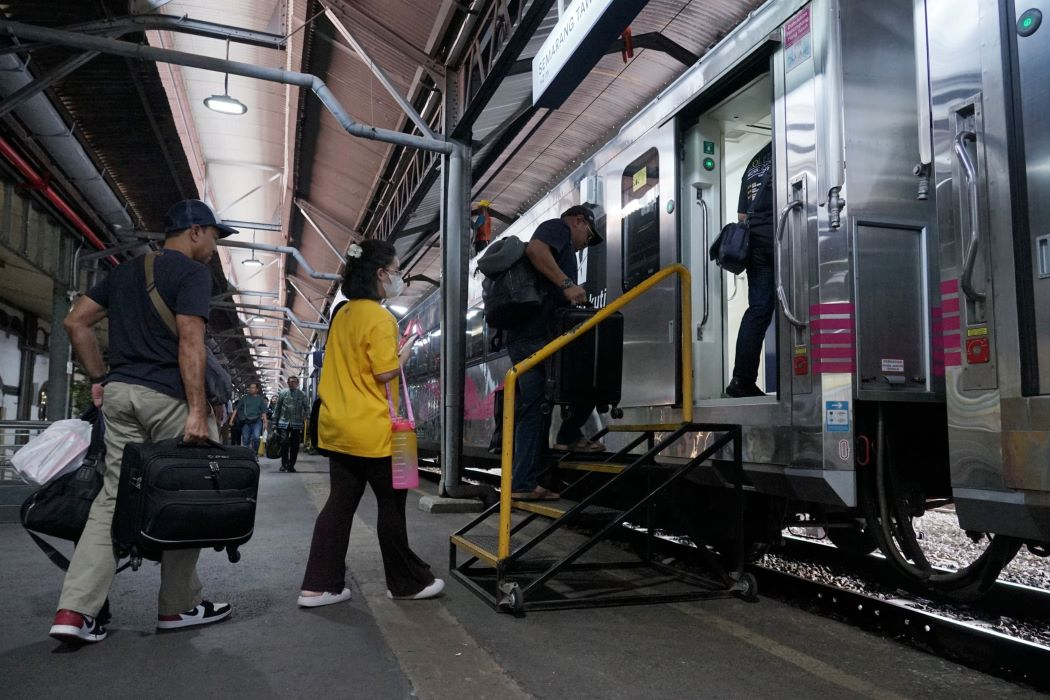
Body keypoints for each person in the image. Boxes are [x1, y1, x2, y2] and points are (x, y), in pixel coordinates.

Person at [50, 198, 236, 644]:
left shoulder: (125, 271)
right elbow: (190, 342)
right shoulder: (191, 273)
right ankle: (178, 607)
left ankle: (75, 612)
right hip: (168, 398)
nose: (215, 247)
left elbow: (76, 322)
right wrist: (196, 410)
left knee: (112, 499)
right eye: (213, 236)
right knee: (187, 498)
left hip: (121, 395)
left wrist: (101, 378)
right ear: (194, 231)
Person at [298, 239, 442, 607]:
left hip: (337, 428)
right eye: (396, 271)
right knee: (391, 507)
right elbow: (384, 372)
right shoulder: (380, 318)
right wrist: (404, 351)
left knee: (340, 504)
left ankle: (318, 585)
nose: (399, 278)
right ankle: (406, 583)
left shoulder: (341, 315)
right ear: (380, 274)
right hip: (374, 431)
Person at [506, 204, 604, 501]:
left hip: (533, 337)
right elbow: (536, 250)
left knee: (537, 409)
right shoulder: (556, 228)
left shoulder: (563, 242)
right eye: (589, 233)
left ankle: (526, 481)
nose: (587, 241)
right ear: (578, 221)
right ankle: (567, 437)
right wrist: (567, 285)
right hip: (535, 338)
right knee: (591, 377)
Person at [726, 142, 775, 398]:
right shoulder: (789, 147)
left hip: (755, 242)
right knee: (800, 303)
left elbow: (742, 216)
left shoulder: (754, 161)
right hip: (781, 236)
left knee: (758, 309)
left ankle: (741, 380)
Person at [273, 375, 309, 473]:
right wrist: (274, 422)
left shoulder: (302, 394)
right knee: (284, 442)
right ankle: (284, 464)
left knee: (295, 445)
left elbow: (307, 407)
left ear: (297, 383)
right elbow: (278, 407)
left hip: (296, 423)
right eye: (290, 382)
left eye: (294, 382)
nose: (291, 383)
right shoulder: (283, 393)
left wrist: (307, 418)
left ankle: (291, 465)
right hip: (283, 422)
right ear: (288, 383)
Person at [230, 382, 267, 452]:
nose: (251, 389)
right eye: (250, 388)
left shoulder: (260, 399)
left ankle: (255, 453)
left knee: (256, 438)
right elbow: (236, 409)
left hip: (257, 422)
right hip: (246, 422)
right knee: (245, 439)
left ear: (257, 389)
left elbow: (264, 412)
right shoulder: (244, 398)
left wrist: (265, 423)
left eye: (253, 388)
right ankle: (246, 455)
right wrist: (231, 420)